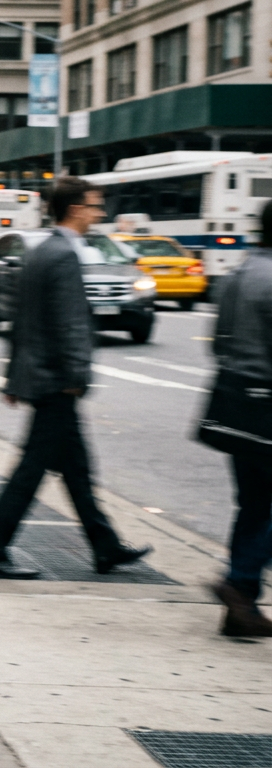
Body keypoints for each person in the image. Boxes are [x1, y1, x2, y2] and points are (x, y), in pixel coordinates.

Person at [0, 177, 152, 579]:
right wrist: (77, 376)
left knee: (77, 471)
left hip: (41, 378)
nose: (99, 212)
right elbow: (70, 325)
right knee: (31, 471)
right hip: (56, 382)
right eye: (94, 205)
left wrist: (12, 378)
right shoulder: (64, 256)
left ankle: (104, 547)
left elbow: (22, 321)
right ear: (75, 209)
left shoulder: (42, 250)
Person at [207, 200, 272, 637]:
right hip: (269, 403)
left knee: (251, 503)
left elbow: (217, 343)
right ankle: (238, 581)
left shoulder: (238, 273)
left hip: (235, 403)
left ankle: (241, 606)